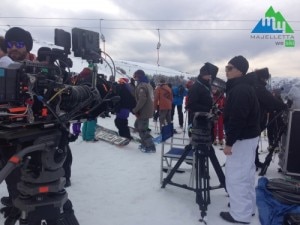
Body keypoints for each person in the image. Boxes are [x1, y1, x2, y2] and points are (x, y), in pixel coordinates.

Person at [220, 55, 260, 224]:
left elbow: (238, 118)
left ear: (240, 71)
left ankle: (240, 215)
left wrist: (229, 143)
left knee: (236, 176)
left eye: (230, 68)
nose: (226, 71)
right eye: (226, 68)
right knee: (247, 174)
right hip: (249, 137)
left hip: (242, 140)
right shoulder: (244, 87)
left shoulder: (240, 89)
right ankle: (247, 207)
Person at [186, 62, 225, 188]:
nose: (211, 79)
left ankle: (203, 168)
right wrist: (207, 109)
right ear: (204, 74)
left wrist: (212, 107)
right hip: (198, 123)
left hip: (206, 122)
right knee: (200, 147)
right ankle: (201, 169)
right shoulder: (196, 87)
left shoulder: (205, 85)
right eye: (210, 76)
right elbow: (190, 105)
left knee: (206, 147)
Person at [132, 70, 156, 153]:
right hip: (146, 110)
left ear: (139, 76)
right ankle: (145, 143)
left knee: (142, 129)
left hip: (144, 111)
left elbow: (142, 99)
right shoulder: (147, 84)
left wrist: (136, 109)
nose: (134, 78)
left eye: (135, 76)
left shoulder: (142, 86)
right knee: (137, 125)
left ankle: (150, 146)